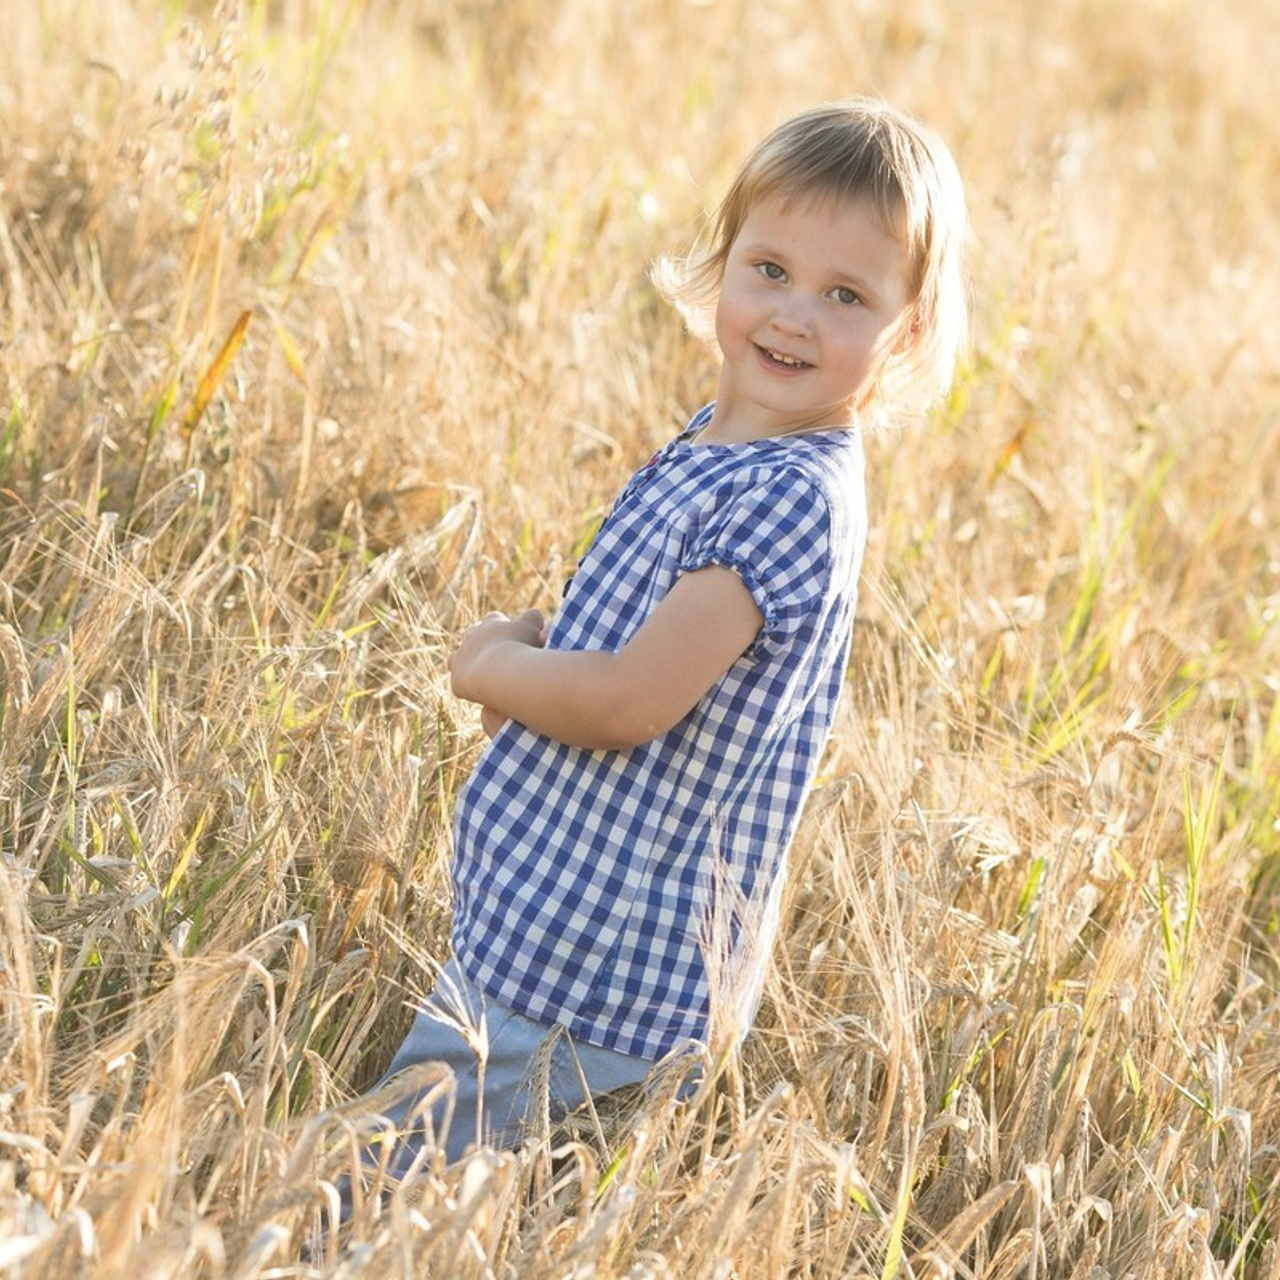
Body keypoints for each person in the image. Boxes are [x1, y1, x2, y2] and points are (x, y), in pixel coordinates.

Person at [346, 96, 968, 1192]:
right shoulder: (728, 441)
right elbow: (640, 644)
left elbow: (635, 698)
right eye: (768, 268)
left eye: (844, 294)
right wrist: (550, 649)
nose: (791, 315)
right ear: (721, 260)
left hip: (588, 957)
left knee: (370, 1194)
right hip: (576, 923)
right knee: (475, 1205)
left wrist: (491, 665)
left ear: (905, 331)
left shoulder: (789, 495)